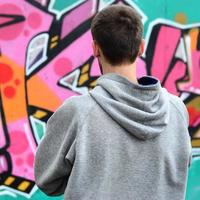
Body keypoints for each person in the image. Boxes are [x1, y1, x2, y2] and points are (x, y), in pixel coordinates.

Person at [34, 4, 192, 200]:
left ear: (95, 49)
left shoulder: (78, 112)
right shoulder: (176, 111)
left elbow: (46, 180)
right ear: (141, 47)